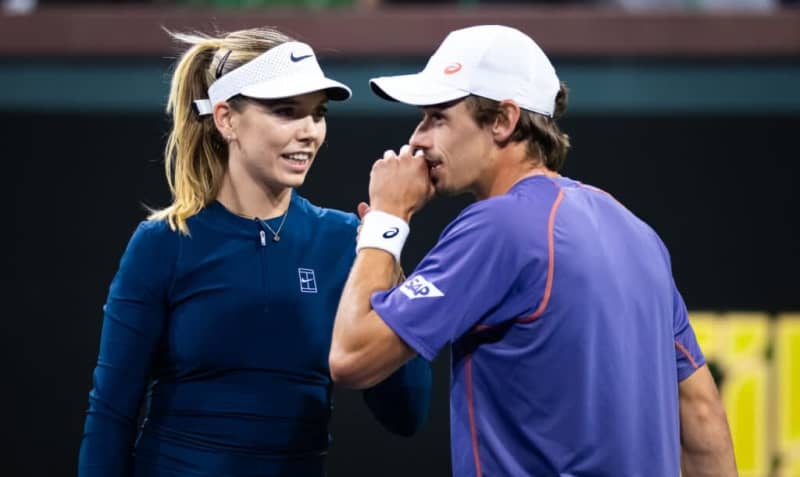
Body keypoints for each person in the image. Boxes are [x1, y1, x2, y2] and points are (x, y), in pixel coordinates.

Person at [329, 25, 737, 476]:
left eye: (438, 117)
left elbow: (351, 356)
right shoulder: (638, 234)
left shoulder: (500, 226)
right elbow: (701, 414)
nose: (419, 138)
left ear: (503, 120)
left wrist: (388, 218)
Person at [78, 27, 431, 477]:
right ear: (226, 119)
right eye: (286, 112)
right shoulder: (163, 242)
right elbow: (111, 414)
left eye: (318, 114)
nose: (309, 132)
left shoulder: (348, 240)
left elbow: (405, 414)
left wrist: (387, 258)